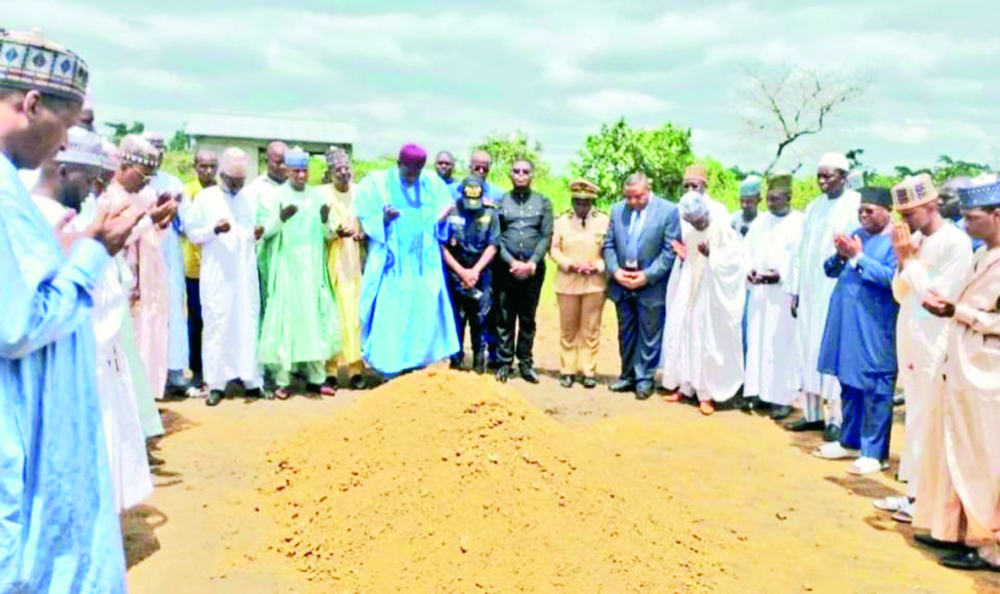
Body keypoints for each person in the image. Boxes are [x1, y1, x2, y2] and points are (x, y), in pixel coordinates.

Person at [0, 28, 141, 592]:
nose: (63, 146)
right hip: (22, 426)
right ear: (32, 105)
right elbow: (18, 324)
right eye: (68, 125)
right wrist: (93, 253)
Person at [29, 124, 154, 512]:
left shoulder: (79, 212)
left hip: (100, 349)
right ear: (64, 169)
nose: (94, 185)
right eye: (89, 176)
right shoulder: (40, 217)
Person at [872, 174, 973, 523]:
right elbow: (901, 293)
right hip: (911, 335)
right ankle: (912, 492)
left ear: (931, 206)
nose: (904, 223)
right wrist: (905, 261)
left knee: (930, 417)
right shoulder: (913, 240)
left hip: (936, 340)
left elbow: (935, 299)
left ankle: (926, 499)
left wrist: (909, 261)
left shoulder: (955, 243)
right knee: (915, 415)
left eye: (910, 214)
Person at [912, 175, 1000, 571]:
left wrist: (956, 312)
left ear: (997, 216)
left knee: (987, 459)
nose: (965, 225)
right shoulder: (983, 254)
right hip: (966, 368)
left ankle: (990, 545)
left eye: (972, 218)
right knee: (962, 451)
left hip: (990, 372)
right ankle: (964, 534)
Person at [812, 188, 900, 474]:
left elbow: (893, 280)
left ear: (888, 210)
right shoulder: (855, 233)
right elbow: (830, 269)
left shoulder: (896, 241)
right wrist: (840, 255)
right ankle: (850, 442)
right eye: (860, 210)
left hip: (876, 325)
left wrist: (859, 257)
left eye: (870, 210)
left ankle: (875, 453)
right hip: (847, 322)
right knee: (849, 381)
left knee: (875, 385)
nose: (863, 215)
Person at [353, 143, 459, 375]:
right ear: (398, 164)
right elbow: (366, 220)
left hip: (422, 267)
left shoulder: (431, 183)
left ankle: (416, 368)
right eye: (408, 173)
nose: (412, 178)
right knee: (392, 320)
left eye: (417, 173)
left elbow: (438, 226)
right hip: (393, 268)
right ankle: (389, 371)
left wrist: (441, 219)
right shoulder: (377, 184)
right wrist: (384, 218)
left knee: (422, 318)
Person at [785, 152, 862, 441]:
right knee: (807, 348)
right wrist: (794, 290)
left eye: (828, 176)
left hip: (836, 290)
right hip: (809, 290)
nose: (822, 181)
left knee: (832, 351)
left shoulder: (855, 205)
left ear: (843, 176)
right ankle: (812, 414)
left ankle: (837, 419)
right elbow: (800, 251)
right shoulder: (813, 207)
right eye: (819, 175)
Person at [257, 147, 340, 399]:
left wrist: (326, 220)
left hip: (313, 267)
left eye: (305, 170)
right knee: (287, 321)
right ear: (286, 171)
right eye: (296, 171)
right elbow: (264, 233)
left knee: (315, 320)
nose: (301, 176)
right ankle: (283, 379)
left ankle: (317, 377)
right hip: (286, 268)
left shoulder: (317, 197)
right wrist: (280, 218)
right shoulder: (273, 197)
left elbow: (329, 234)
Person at [185, 148, 264, 406]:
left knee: (247, 322)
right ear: (223, 175)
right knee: (218, 324)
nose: (238, 186)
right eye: (234, 181)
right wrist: (214, 230)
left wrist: (256, 233)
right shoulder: (205, 199)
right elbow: (192, 233)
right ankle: (216, 384)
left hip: (244, 275)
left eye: (242, 181)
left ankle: (250, 380)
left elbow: (246, 233)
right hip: (219, 275)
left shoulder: (248, 198)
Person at [660, 191, 745, 415]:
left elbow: (735, 261)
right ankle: (684, 387)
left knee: (704, 341)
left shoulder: (722, 229)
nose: (700, 223)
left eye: (701, 219)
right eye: (694, 221)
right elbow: (691, 261)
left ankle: (705, 395)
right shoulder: (690, 233)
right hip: (690, 292)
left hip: (711, 295)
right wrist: (683, 256)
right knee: (684, 336)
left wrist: (712, 254)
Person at [603, 172, 682, 400]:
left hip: (650, 284)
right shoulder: (618, 210)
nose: (633, 202)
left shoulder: (668, 211)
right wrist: (616, 271)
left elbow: (669, 251)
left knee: (649, 333)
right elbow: (608, 244)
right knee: (626, 332)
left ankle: (645, 379)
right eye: (628, 197)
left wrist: (646, 276)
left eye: (637, 197)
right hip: (622, 281)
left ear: (649, 189)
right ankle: (627, 376)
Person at [116, 134, 179, 402]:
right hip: (124, 284)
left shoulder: (144, 194)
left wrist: (161, 220)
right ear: (125, 166)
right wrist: (149, 219)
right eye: (143, 174)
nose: (146, 182)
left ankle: (144, 403)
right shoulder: (111, 195)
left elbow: (151, 237)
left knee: (148, 340)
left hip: (148, 282)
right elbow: (117, 238)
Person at [742, 174, 805, 419]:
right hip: (760, 295)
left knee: (782, 346)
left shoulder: (800, 222)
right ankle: (758, 393)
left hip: (783, 297)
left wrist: (782, 277)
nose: (770, 203)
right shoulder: (761, 222)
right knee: (758, 343)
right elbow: (745, 251)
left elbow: (801, 260)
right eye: (768, 199)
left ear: (789, 196)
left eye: (775, 198)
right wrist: (751, 271)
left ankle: (782, 399)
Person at [493, 158, 553, 384]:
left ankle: (526, 363)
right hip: (505, 269)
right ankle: (504, 363)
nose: (520, 175)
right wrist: (511, 263)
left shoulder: (543, 202)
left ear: (532, 175)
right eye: (516, 171)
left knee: (528, 318)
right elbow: (496, 237)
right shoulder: (500, 202)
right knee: (505, 316)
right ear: (510, 174)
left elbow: (546, 235)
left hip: (533, 270)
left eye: (525, 171)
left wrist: (532, 263)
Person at [549, 179, 609, 389]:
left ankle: (588, 371)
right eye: (577, 202)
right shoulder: (561, 221)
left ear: (592, 201)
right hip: (567, 282)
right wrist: (569, 264)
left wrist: (598, 265)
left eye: (585, 202)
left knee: (590, 329)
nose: (581, 206)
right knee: (568, 328)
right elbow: (554, 249)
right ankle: (567, 370)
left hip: (594, 283)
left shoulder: (603, 220)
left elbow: (609, 250)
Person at [144, 132, 190, 396]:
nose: (156, 155)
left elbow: (187, 225)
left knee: (173, 312)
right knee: (146, 315)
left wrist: (175, 212)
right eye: (152, 150)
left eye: (161, 150)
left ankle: (173, 372)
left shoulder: (173, 182)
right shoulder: (133, 183)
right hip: (142, 256)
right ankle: (149, 376)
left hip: (169, 255)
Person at [441, 177, 500, 373]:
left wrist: (474, 272)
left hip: (481, 275)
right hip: (455, 274)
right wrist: (462, 272)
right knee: (456, 320)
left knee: (480, 320)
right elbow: (442, 246)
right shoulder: (451, 211)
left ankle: (478, 365)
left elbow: (493, 246)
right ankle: (455, 363)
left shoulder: (491, 213)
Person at [319, 148, 366, 387]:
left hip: (355, 265)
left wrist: (363, 234)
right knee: (332, 319)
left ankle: (356, 370)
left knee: (354, 317)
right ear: (330, 173)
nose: (344, 173)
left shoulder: (360, 193)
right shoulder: (321, 195)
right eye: (338, 170)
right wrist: (331, 230)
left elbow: (369, 223)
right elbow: (316, 230)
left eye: (346, 168)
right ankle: (330, 372)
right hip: (331, 266)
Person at [180, 149, 218, 395]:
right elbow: (186, 228)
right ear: (195, 167)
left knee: (219, 319)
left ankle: (220, 370)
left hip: (219, 269)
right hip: (195, 268)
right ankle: (197, 371)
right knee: (197, 322)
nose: (208, 171)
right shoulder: (188, 191)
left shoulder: (221, 191)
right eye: (203, 166)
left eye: (212, 166)